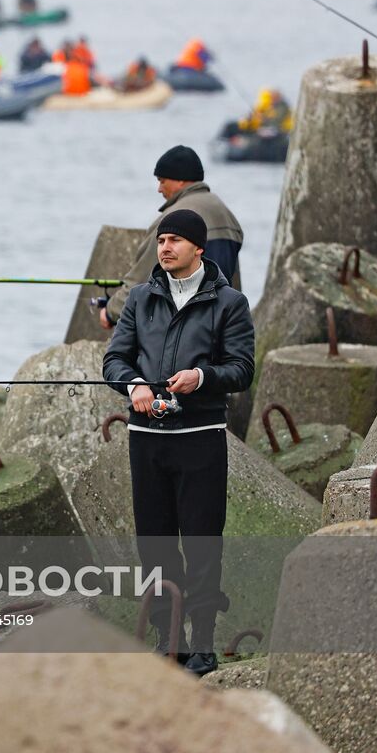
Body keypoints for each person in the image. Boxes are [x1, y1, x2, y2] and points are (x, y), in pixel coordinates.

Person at [103, 208, 255, 678]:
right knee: (155, 544)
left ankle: (204, 646)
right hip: (146, 439)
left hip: (200, 440)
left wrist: (201, 377)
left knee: (204, 543)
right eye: (161, 239)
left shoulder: (229, 303)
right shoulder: (140, 299)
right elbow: (114, 360)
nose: (164, 247)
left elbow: (243, 369)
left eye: (174, 240)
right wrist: (135, 387)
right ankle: (167, 641)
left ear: (198, 248)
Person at [102, 145, 244, 328]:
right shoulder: (226, 214)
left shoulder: (172, 219)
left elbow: (140, 282)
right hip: (223, 321)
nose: (159, 189)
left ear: (180, 180)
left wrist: (110, 311)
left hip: (182, 326)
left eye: (162, 181)